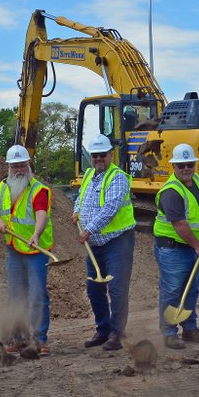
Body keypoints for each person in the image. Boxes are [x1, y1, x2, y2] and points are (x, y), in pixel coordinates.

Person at [153, 143, 199, 349]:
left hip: (189, 247)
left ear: (194, 165)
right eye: (181, 165)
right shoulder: (171, 192)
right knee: (173, 290)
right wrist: (198, 247)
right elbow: (180, 225)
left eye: (190, 164)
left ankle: (190, 328)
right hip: (173, 248)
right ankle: (168, 332)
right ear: (174, 167)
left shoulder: (194, 180)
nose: (186, 168)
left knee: (191, 290)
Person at [72, 133, 136, 353]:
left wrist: (88, 229)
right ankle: (103, 329)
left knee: (117, 289)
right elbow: (81, 197)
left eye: (102, 155)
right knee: (94, 289)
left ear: (111, 155)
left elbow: (111, 208)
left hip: (117, 241)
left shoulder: (118, 178)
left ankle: (118, 333)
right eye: (95, 155)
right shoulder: (89, 174)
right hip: (95, 244)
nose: (98, 159)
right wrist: (76, 212)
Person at [0, 145, 52, 356]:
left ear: (28, 166)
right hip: (14, 250)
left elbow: (41, 215)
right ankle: (18, 338)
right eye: (15, 166)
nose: (18, 169)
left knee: (36, 295)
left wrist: (36, 234)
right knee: (16, 296)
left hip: (35, 250)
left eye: (22, 165)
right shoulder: (3, 188)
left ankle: (39, 340)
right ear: (9, 167)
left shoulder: (38, 190)